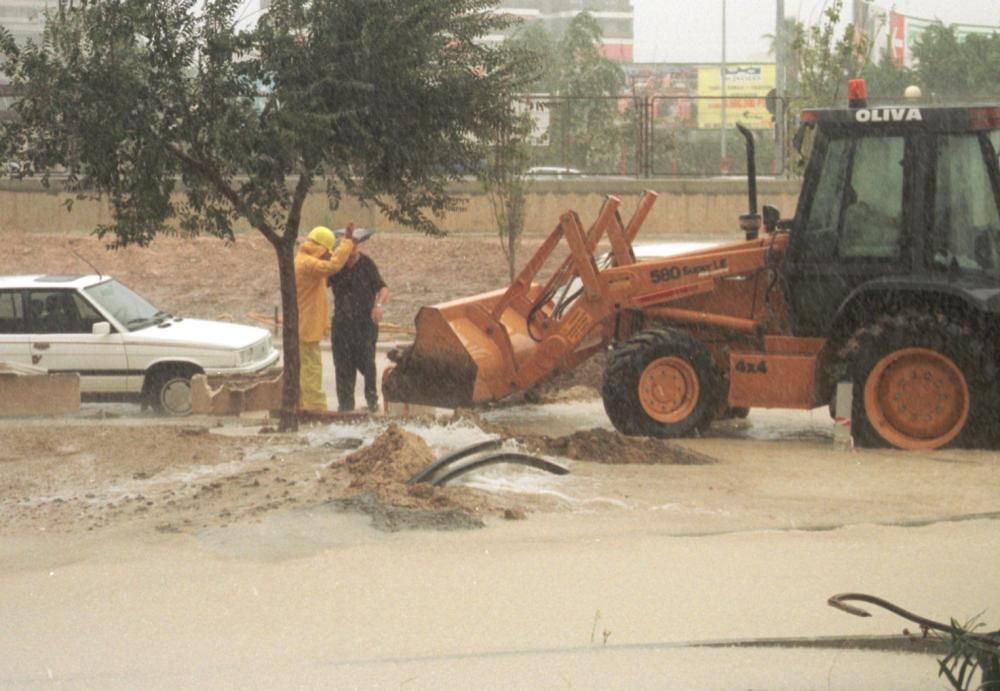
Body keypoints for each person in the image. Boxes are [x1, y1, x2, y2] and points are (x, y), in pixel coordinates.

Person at [294, 224, 354, 411]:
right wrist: (347, 242)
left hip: (306, 325)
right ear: (320, 247)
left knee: (307, 368)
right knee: (311, 369)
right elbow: (333, 266)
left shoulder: (303, 261)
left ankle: (306, 403)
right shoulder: (307, 264)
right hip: (306, 326)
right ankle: (314, 406)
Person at [328, 229, 388, 413]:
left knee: (367, 363)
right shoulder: (335, 266)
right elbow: (320, 282)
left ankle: (371, 401)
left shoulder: (367, 264)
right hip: (342, 323)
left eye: (354, 246)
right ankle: (345, 405)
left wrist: (378, 305)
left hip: (364, 323)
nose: (351, 250)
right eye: (347, 246)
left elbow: (383, 287)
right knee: (343, 365)